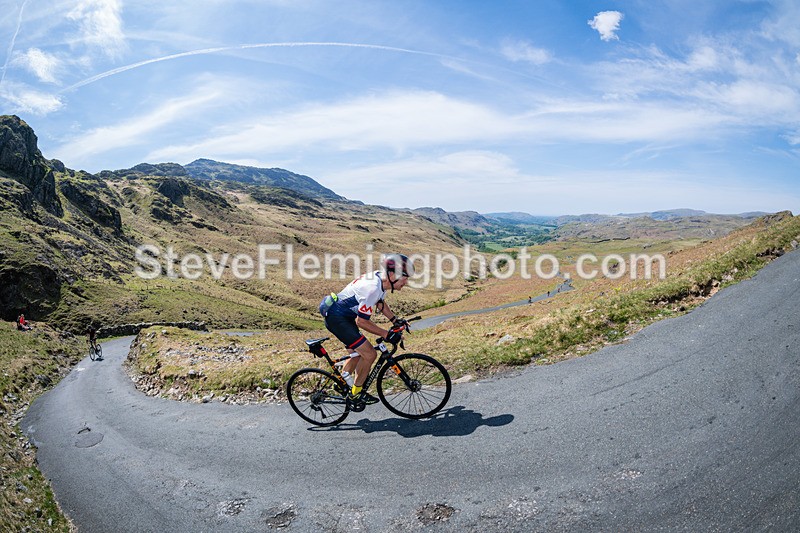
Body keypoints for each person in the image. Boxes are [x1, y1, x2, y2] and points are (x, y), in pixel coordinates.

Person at [320, 253, 413, 406]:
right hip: (338, 319)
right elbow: (362, 321)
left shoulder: (380, 281)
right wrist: (386, 334)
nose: (406, 281)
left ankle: (341, 383)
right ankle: (356, 394)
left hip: (343, 316)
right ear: (392, 275)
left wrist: (395, 320)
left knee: (357, 355)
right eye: (405, 277)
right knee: (369, 354)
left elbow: (379, 302)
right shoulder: (372, 288)